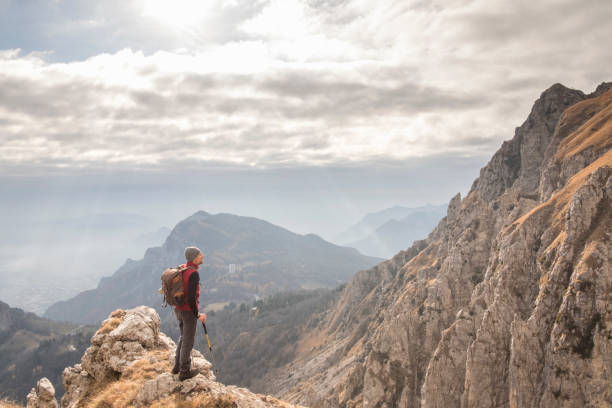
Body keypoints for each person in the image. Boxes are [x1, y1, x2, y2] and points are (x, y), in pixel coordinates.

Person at [172, 246, 207, 380]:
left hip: (179, 309)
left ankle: (177, 366)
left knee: (183, 337)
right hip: (188, 312)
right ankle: (184, 371)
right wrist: (197, 314)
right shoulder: (193, 273)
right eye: (199, 254)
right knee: (188, 340)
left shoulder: (182, 268)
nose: (202, 256)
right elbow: (192, 298)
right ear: (194, 257)